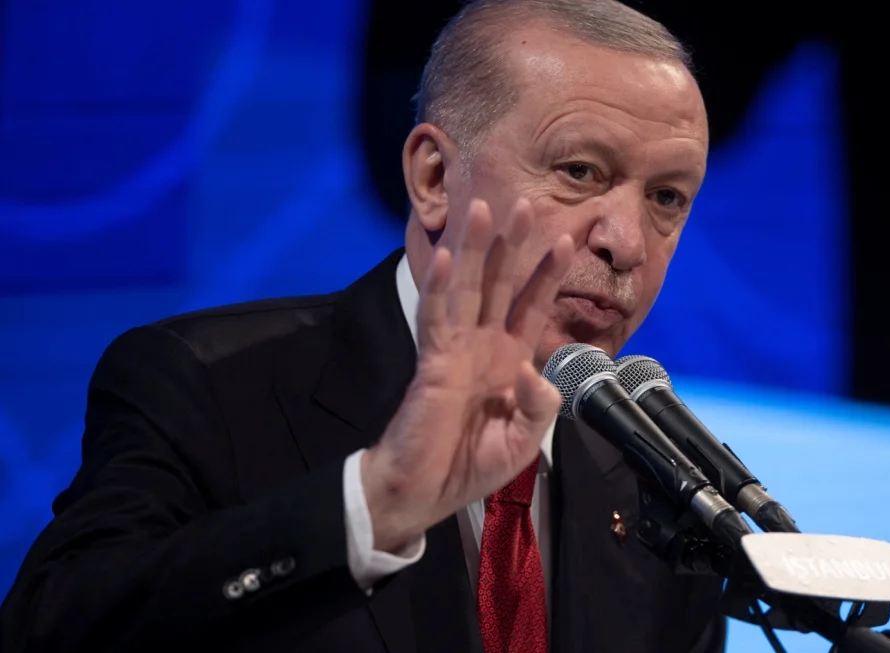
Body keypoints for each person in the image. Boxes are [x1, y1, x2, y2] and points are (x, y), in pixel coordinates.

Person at [0, 0, 722, 651]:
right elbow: (53, 630)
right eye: (579, 171)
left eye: (666, 196)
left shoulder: (657, 487)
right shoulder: (206, 383)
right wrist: (375, 502)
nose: (626, 241)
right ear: (434, 178)